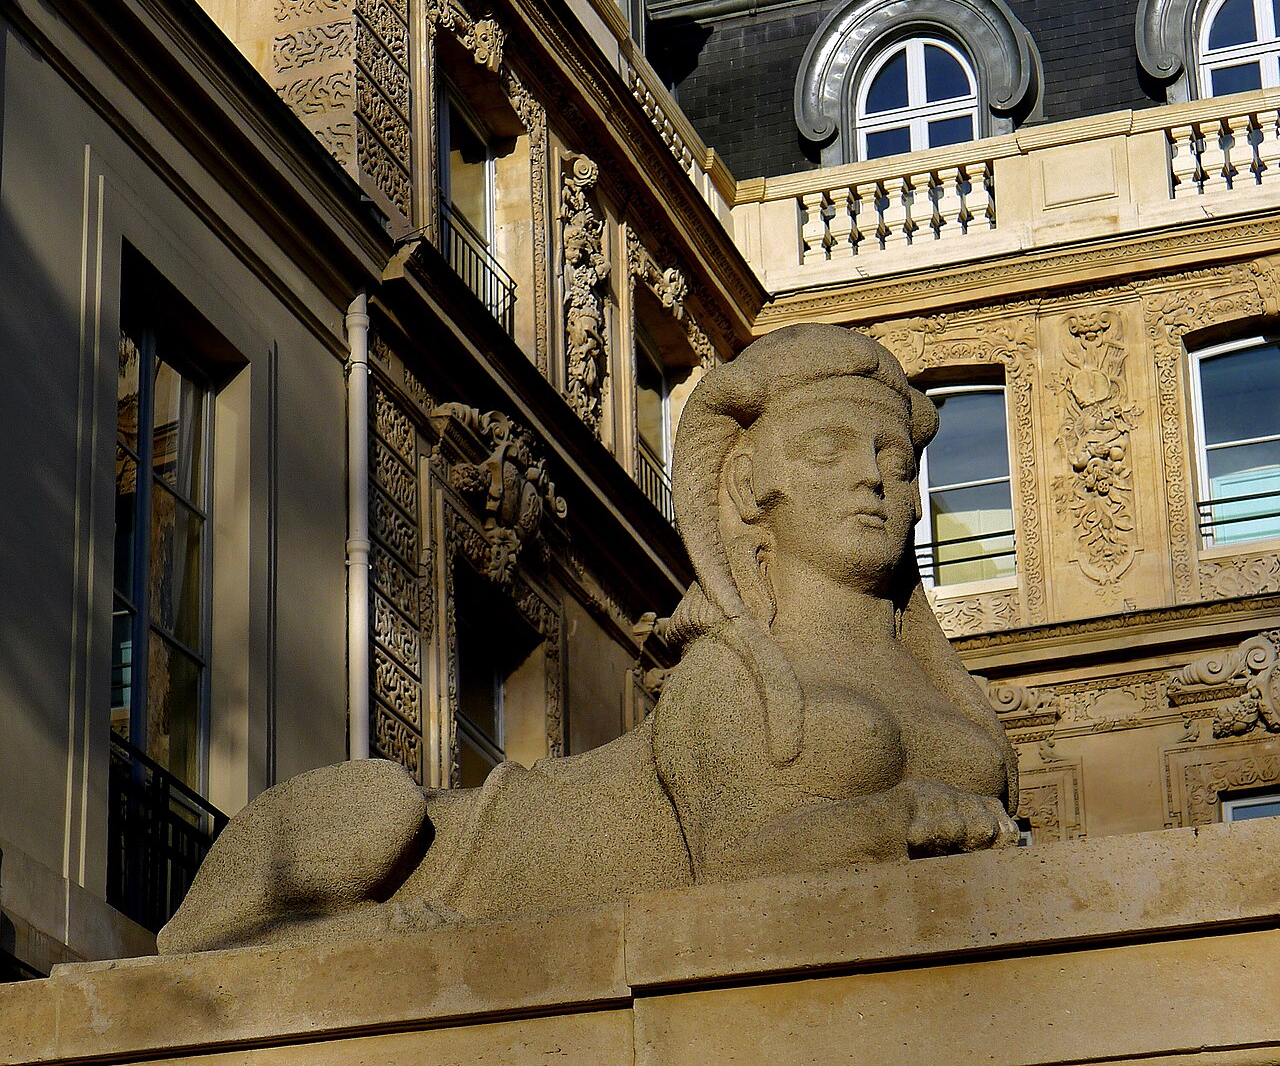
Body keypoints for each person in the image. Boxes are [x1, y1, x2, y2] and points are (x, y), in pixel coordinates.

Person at [159, 324, 1018, 955]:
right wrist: (898, 821)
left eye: (897, 461)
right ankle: (294, 935)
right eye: (830, 449)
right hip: (463, 862)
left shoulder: (947, 697)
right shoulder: (732, 676)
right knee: (378, 803)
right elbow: (736, 871)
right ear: (752, 484)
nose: (874, 476)